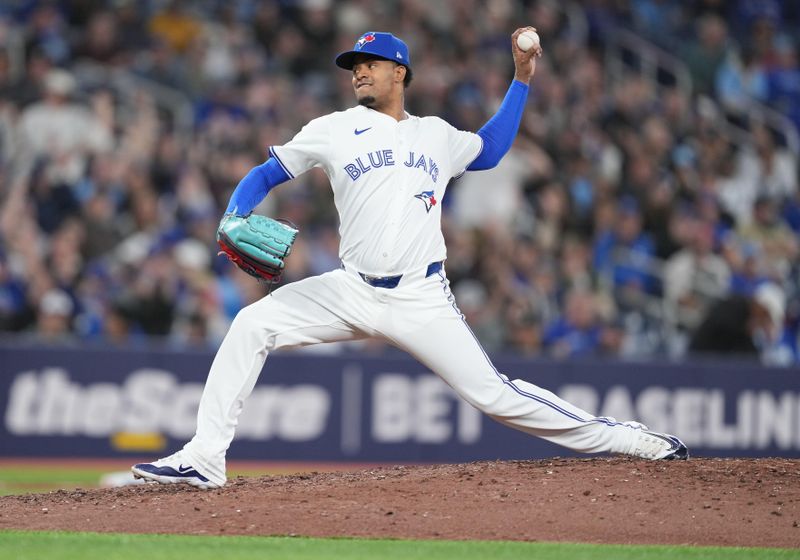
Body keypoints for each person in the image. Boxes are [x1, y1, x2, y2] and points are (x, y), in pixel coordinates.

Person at [132, 29, 688, 489]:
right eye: (354, 66)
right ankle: (206, 458)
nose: (358, 72)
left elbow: (491, 150)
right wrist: (234, 212)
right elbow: (267, 173)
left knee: (496, 397)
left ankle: (627, 439)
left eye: (370, 63)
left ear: (400, 72)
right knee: (252, 323)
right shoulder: (332, 129)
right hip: (351, 289)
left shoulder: (436, 135)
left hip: (421, 297)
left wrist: (521, 80)